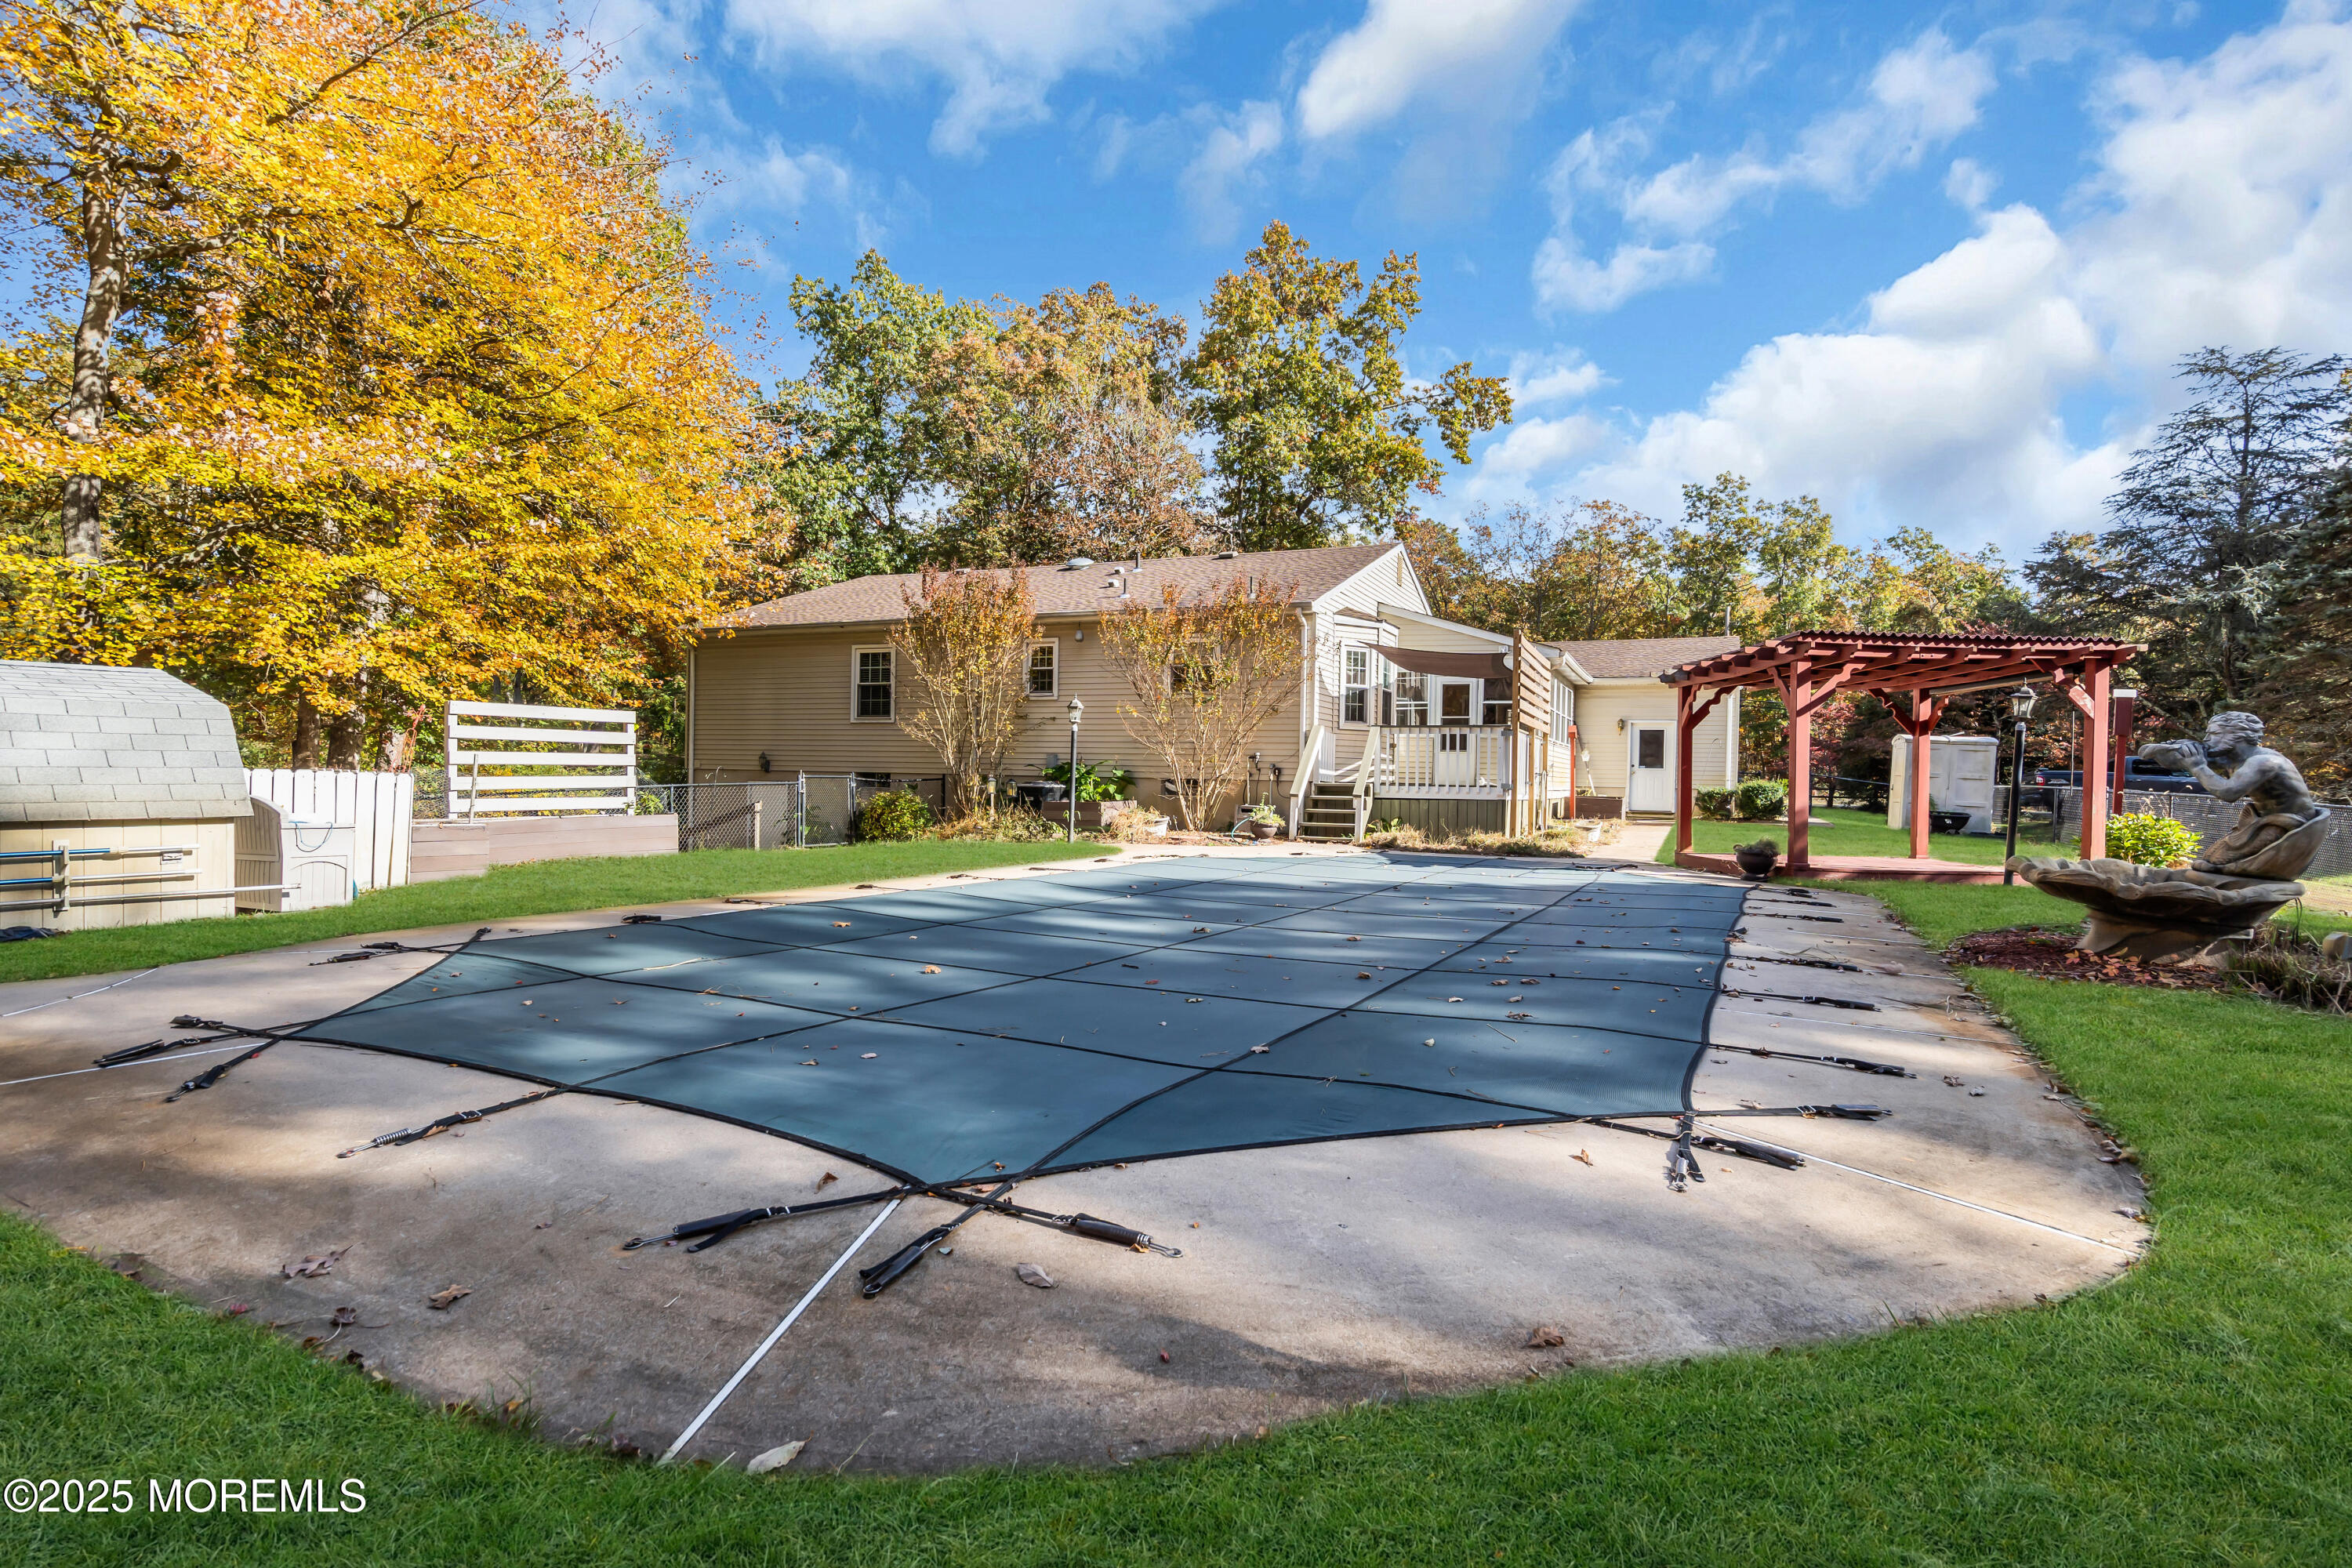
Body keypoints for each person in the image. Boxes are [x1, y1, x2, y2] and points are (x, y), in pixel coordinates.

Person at [2138, 711, 2323, 877]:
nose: (2208, 739)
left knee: (2213, 863)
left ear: (2238, 736)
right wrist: (2164, 748)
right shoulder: (2231, 758)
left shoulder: (2263, 762)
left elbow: (2228, 793)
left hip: (2288, 825)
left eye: (2215, 734)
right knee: (2210, 858)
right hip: (2260, 820)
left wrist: (2198, 766)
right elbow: (2169, 760)